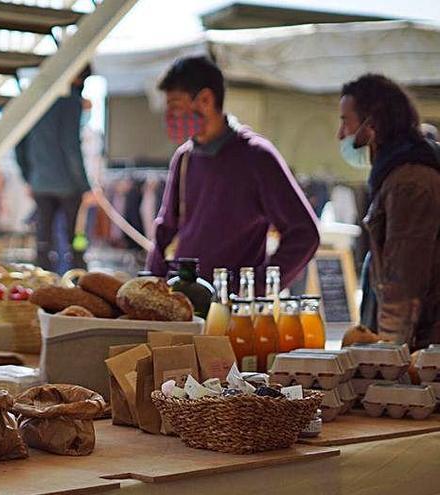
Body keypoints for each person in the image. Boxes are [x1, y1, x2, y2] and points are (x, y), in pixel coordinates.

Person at [147, 56, 319, 291]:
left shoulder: (257, 156)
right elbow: (165, 231)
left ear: (206, 99)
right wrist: (152, 287)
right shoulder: (184, 157)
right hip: (182, 302)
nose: (170, 116)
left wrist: (255, 288)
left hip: (231, 314)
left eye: (176, 106)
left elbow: (304, 234)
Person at [338, 74, 440, 349]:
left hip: (423, 351)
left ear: (372, 125)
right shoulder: (395, 173)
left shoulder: (409, 182)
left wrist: (387, 359)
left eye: (345, 121)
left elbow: (403, 283)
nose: (340, 134)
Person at [15, 67, 91, 272]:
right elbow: (71, 147)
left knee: (43, 240)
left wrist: (28, 177)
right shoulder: (71, 103)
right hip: (68, 185)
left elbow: (19, 144)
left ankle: (42, 284)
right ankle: (78, 280)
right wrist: (86, 186)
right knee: (75, 238)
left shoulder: (37, 102)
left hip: (40, 183)